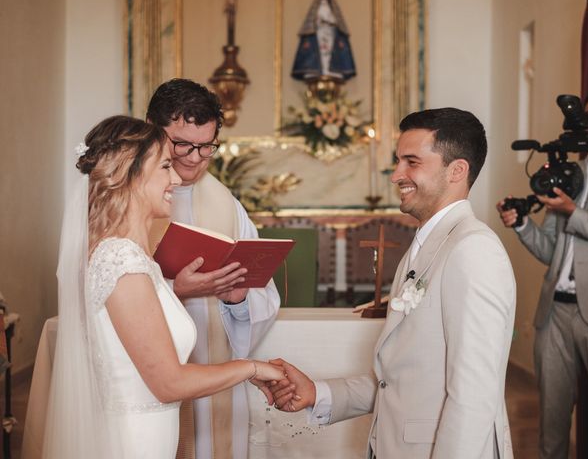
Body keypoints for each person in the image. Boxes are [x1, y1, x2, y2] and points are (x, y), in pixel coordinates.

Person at [269, 108, 516, 459]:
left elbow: (474, 394)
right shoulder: (424, 248)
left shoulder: (473, 250)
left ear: (457, 170)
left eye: (411, 162)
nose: (397, 174)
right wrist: (318, 393)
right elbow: (401, 380)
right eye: (398, 161)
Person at [43, 116, 284, 459]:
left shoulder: (129, 255)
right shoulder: (122, 260)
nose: (176, 178)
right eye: (166, 166)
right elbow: (169, 383)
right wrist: (253, 368)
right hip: (132, 442)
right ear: (130, 172)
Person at [146, 78, 281, 459]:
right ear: (153, 132)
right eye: (182, 144)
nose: (194, 157)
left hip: (214, 375)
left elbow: (263, 294)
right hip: (151, 378)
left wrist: (238, 300)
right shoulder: (130, 195)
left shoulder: (225, 204)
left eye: (207, 146)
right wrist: (177, 290)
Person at [496, 89, 588, 459]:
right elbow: (550, 251)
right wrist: (522, 224)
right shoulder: (566, 172)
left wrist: (575, 212)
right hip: (553, 312)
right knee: (551, 421)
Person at [291, 0, 356, 81]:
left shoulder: (332, 7)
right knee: (320, 51)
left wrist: (330, 22)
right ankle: (319, 69)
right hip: (319, 33)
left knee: (329, 52)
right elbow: (312, 20)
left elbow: (336, 20)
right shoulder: (316, 7)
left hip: (329, 32)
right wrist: (319, 22)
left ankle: (329, 69)